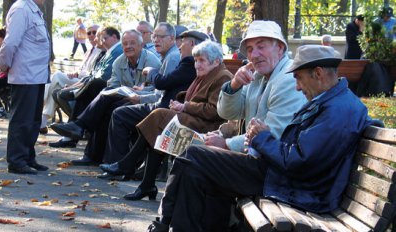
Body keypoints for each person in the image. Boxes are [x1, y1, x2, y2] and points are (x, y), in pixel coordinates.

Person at [146, 44, 373, 232]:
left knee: (194, 156)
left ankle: (164, 224)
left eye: (299, 78)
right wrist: (257, 137)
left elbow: (298, 162)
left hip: (297, 187)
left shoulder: (337, 110)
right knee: (197, 170)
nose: (296, 86)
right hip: (286, 177)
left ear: (318, 74)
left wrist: (261, 138)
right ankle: (169, 225)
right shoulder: (332, 101)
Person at [100, 40, 232, 202]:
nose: (197, 65)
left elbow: (214, 111)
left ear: (216, 61)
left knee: (159, 115)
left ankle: (127, 164)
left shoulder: (222, 76)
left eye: (202, 60)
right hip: (194, 120)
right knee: (158, 134)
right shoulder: (208, 73)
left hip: (208, 128)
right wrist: (181, 104)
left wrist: (185, 106)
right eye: (196, 60)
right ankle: (146, 185)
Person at [50, 29, 161, 165]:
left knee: (105, 105)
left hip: (143, 101)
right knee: (103, 98)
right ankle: (90, 151)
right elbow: (113, 85)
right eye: (125, 44)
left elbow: (155, 90)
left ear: (141, 45)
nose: (128, 46)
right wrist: (127, 91)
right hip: (124, 97)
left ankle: (82, 131)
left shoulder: (152, 61)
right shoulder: (119, 62)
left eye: (132, 43)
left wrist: (135, 92)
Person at [205, 20, 306, 154]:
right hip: (255, 154)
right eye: (250, 49)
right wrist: (234, 85)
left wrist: (227, 144)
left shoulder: (289, 78)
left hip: (274, 164)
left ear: (280, 48)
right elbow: (227, 113)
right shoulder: (257, 76)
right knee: (193, 154)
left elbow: (275, 132)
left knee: (196, 156)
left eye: (261, 47)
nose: (254, 55)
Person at [98, 23, 184, 166]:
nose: (156, 40)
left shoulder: (172, 58)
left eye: (161, 36)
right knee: (109, 103)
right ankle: (111, 160)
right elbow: (158, 90)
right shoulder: (167, 56)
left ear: (172, 38)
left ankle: (118, 163)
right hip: (161, 105)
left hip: (164, 109)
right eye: (154, 36)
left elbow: (160, 95)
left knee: (119, 113)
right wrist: (140, 92)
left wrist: (139, 97)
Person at [0, 0, 50, 175]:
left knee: (33, 120)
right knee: (22, 120)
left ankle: (27, 157)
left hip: (37, 75)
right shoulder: (21, 9)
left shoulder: (35, 10)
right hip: (25, 75)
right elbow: (11, 42)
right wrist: (4, 65)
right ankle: (16, 160)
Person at [49, 26, 122, 148]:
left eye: (104, 38)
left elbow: (104, 76)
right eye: (101, 38)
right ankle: (74, 131)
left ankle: (74, 132)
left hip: (111, 90)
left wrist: (78, 88)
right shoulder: (108, 52)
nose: (101, 41)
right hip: (97, 87)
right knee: (79, 91)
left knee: (91, 87)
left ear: (114, 37)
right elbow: (94, 74)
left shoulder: (117, 51)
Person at [40, 25, 100, 134]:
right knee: (56, 87)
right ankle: (43, 121)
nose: (91, 35)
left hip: (86, 83)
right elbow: (82, 69)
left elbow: (93, 73)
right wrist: (76, 72)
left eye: (94, 32)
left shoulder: (101, 51)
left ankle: (40, 102)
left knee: (57, 75)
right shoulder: (88, 51)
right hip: (78, 79)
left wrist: (78, 74)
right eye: (89, 33)